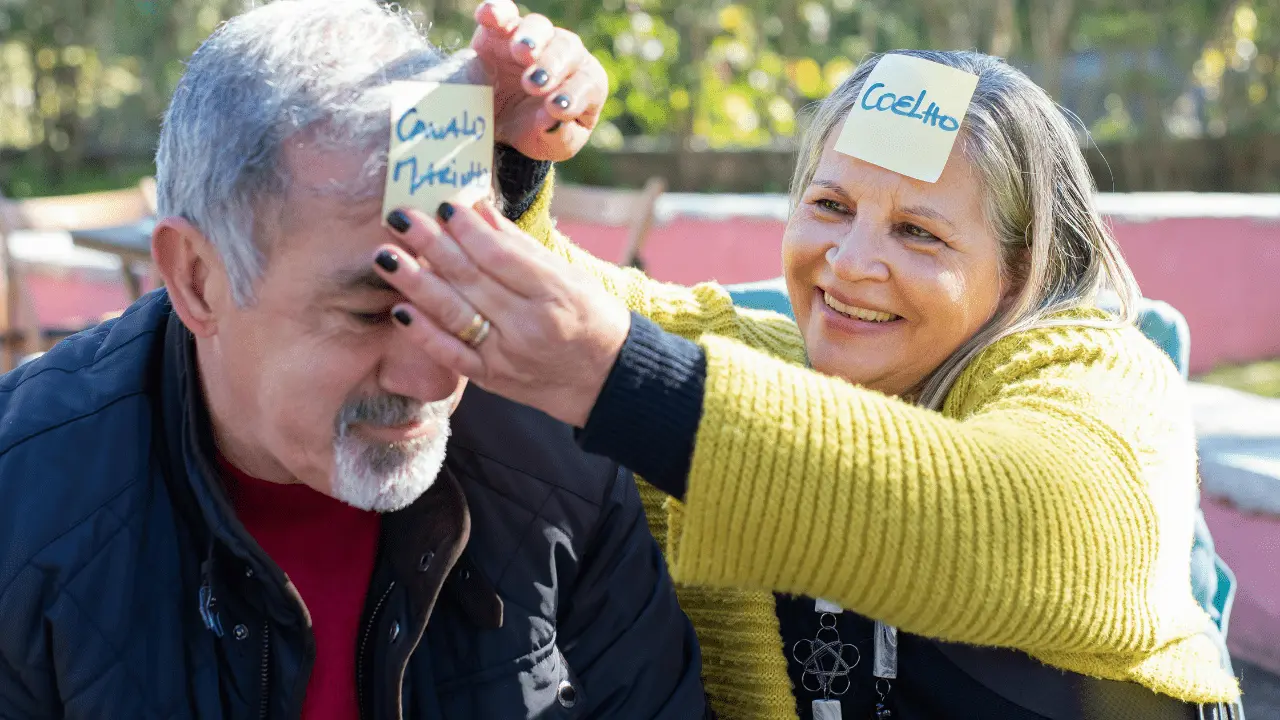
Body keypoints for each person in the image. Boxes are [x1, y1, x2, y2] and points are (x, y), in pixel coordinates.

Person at [371, 47, 1245, 718]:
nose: (852, 263)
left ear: (1021, 273)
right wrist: (485, 113)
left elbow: (1024, 518)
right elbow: (485, 279)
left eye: (919, 232)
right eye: (830, 207)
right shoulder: (750, 356)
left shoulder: (1102, 377)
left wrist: (625, 378)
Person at [0, 1, 709, 718]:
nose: (438, 376)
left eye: (461, 290)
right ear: (196, 278)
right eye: (371, 312)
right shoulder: (23, 508)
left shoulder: (565, 458)